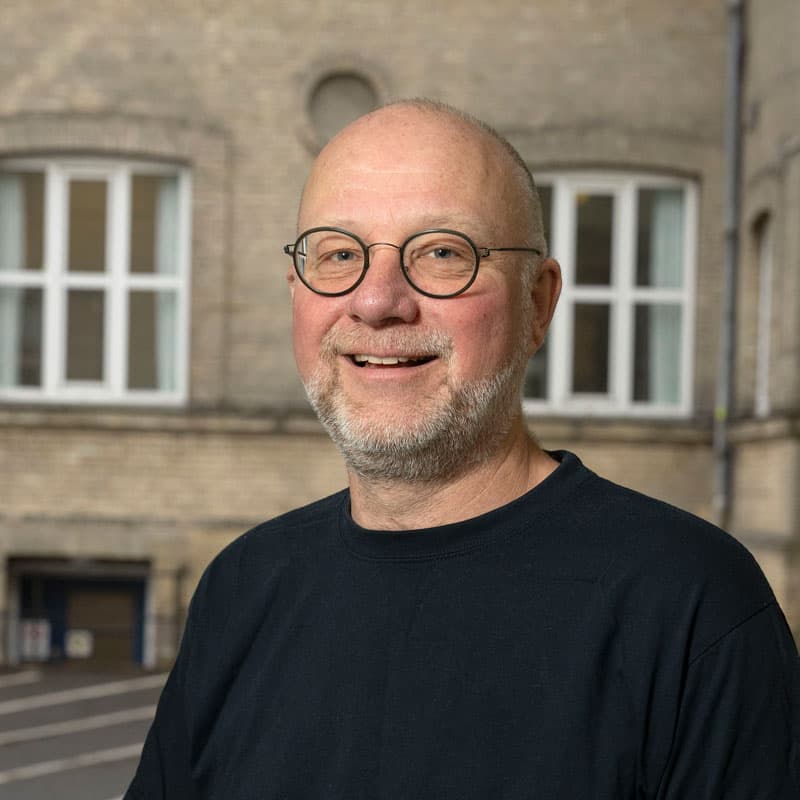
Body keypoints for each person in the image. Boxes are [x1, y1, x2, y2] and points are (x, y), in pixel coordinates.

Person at [126, 100, 800, 798]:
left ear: (537, 304)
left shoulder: (691, 604)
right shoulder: (242, 588)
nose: (378, 301)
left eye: (443, 253)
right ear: (297, 288)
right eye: (338, 255)